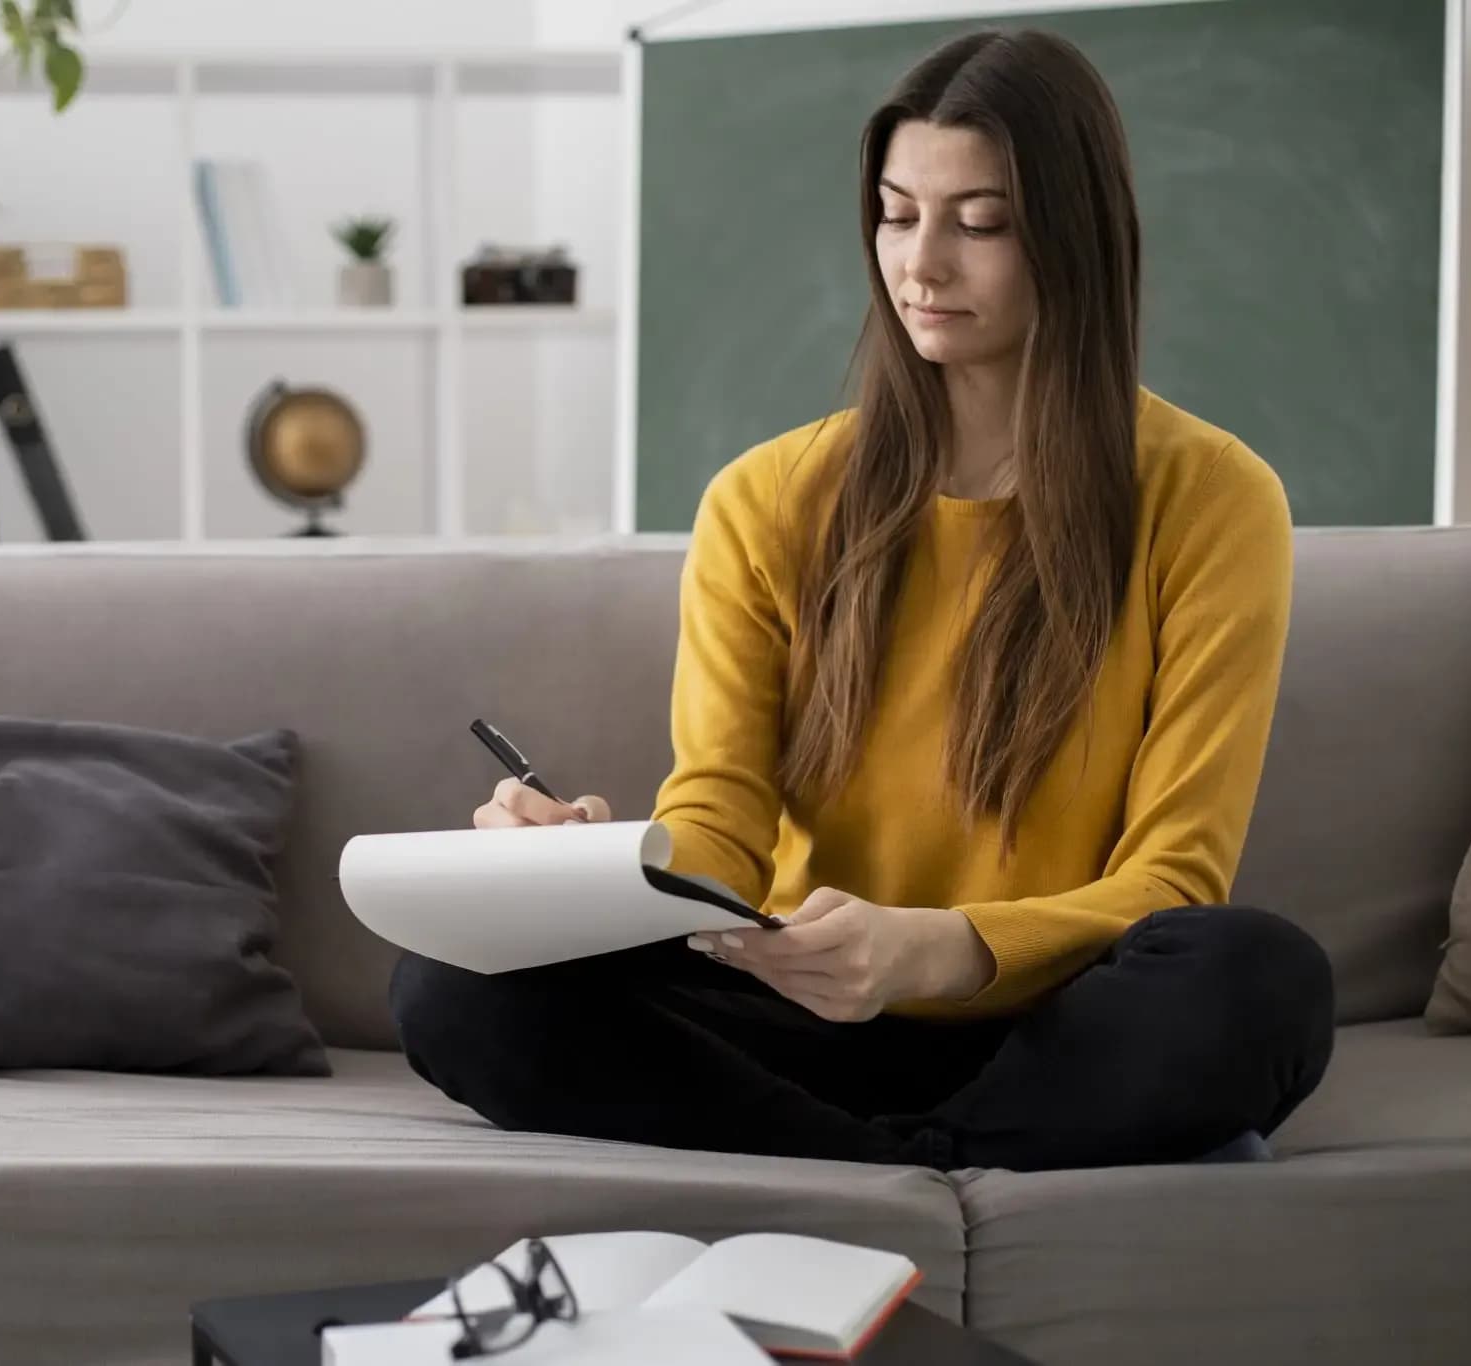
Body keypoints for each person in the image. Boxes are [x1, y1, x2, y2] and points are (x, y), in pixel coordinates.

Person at [388, 27, 1335, 1173]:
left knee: (1257, 979)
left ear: (1073, 234)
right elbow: (723, 811)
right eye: (895, 215)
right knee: (449, 981)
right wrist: (602, 880)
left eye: (977, 223)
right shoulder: (768, 496)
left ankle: (846, 1163)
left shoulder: (1211, 497)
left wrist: (935, 950)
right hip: (799, 1009)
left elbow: (1173, 874)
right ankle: (912, 1164)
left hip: (1055, 1023)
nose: (920, 265)